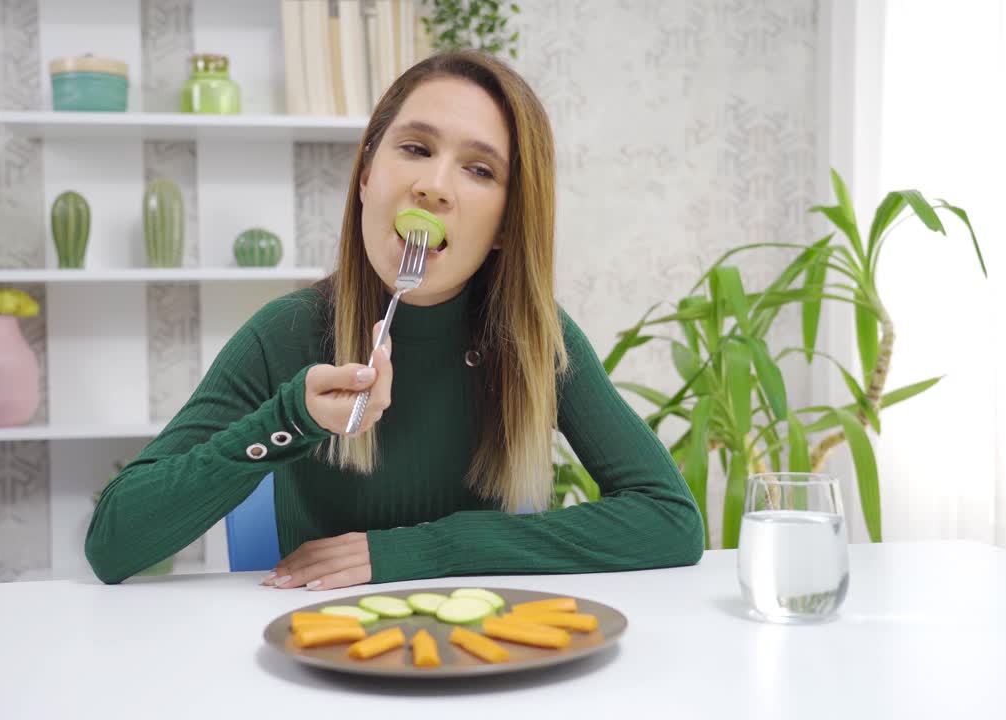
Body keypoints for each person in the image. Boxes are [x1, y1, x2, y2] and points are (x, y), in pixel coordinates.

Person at [85, 50, 704, 589]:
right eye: (415, 148)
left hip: (477, 650)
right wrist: (288, 418)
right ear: (365, 177)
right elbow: (113, 543)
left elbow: (670, 520)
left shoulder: (533, 338)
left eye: (480, 169)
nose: (434, 186)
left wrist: (429, 549)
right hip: (320, 647)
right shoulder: (289, 332)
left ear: (507, 227)